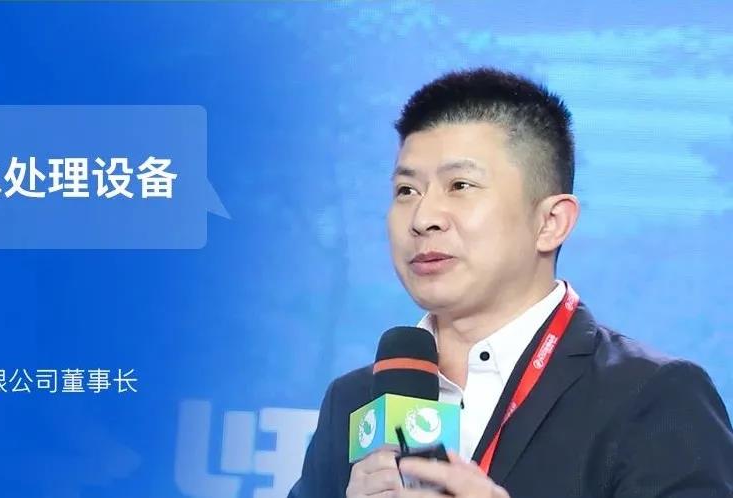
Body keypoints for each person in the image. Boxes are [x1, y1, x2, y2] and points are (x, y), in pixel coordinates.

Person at [288, 67, 733, 498]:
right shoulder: (354, 400)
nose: (423, 218)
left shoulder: (653, 395)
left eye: (460, 185)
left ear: (551, 222)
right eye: (407, 191)